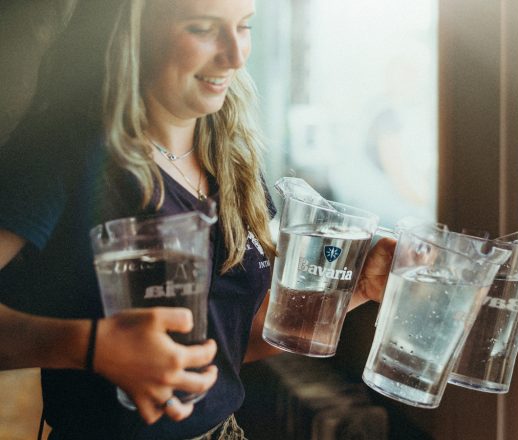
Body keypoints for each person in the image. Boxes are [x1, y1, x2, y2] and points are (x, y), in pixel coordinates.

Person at [0, 0, 396, 439]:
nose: (236, 54)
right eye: (203, 29)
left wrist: (356, 288)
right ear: (130, 34)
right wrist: (89, 346)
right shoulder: (59, 154)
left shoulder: (230, 160)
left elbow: (235, 337)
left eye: (244, 26)